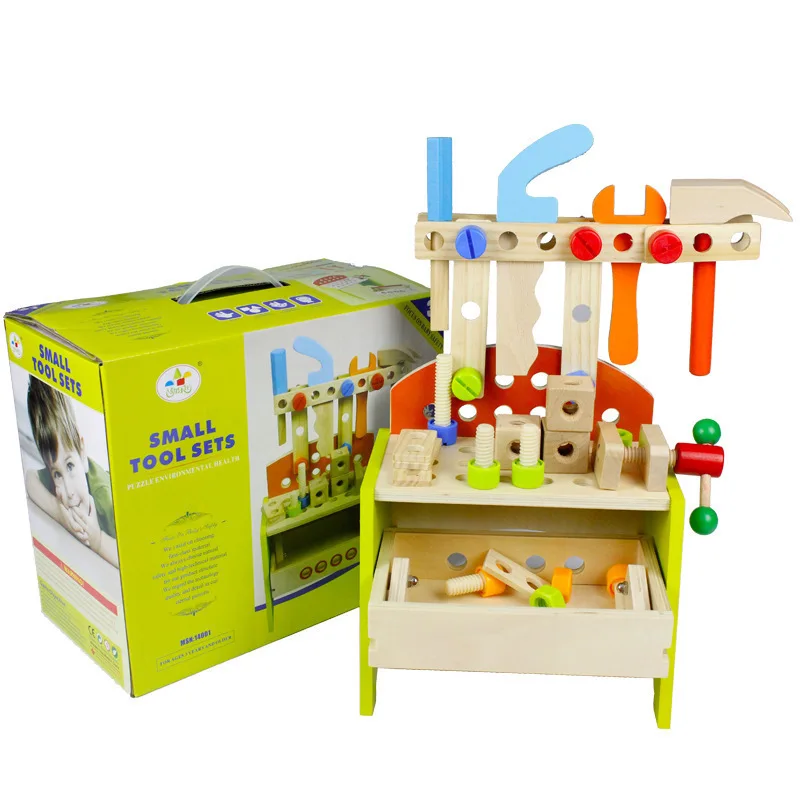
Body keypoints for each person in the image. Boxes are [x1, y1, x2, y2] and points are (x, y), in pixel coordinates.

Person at [25, 377, 118, 568]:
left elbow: (135, 553)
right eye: (57, 474)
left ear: (82, 453)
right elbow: (30, 478)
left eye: (70, 466)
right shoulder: (60, 482)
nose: (69, 492)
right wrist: (60, 514)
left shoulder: (105, 499)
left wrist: (98, 541)